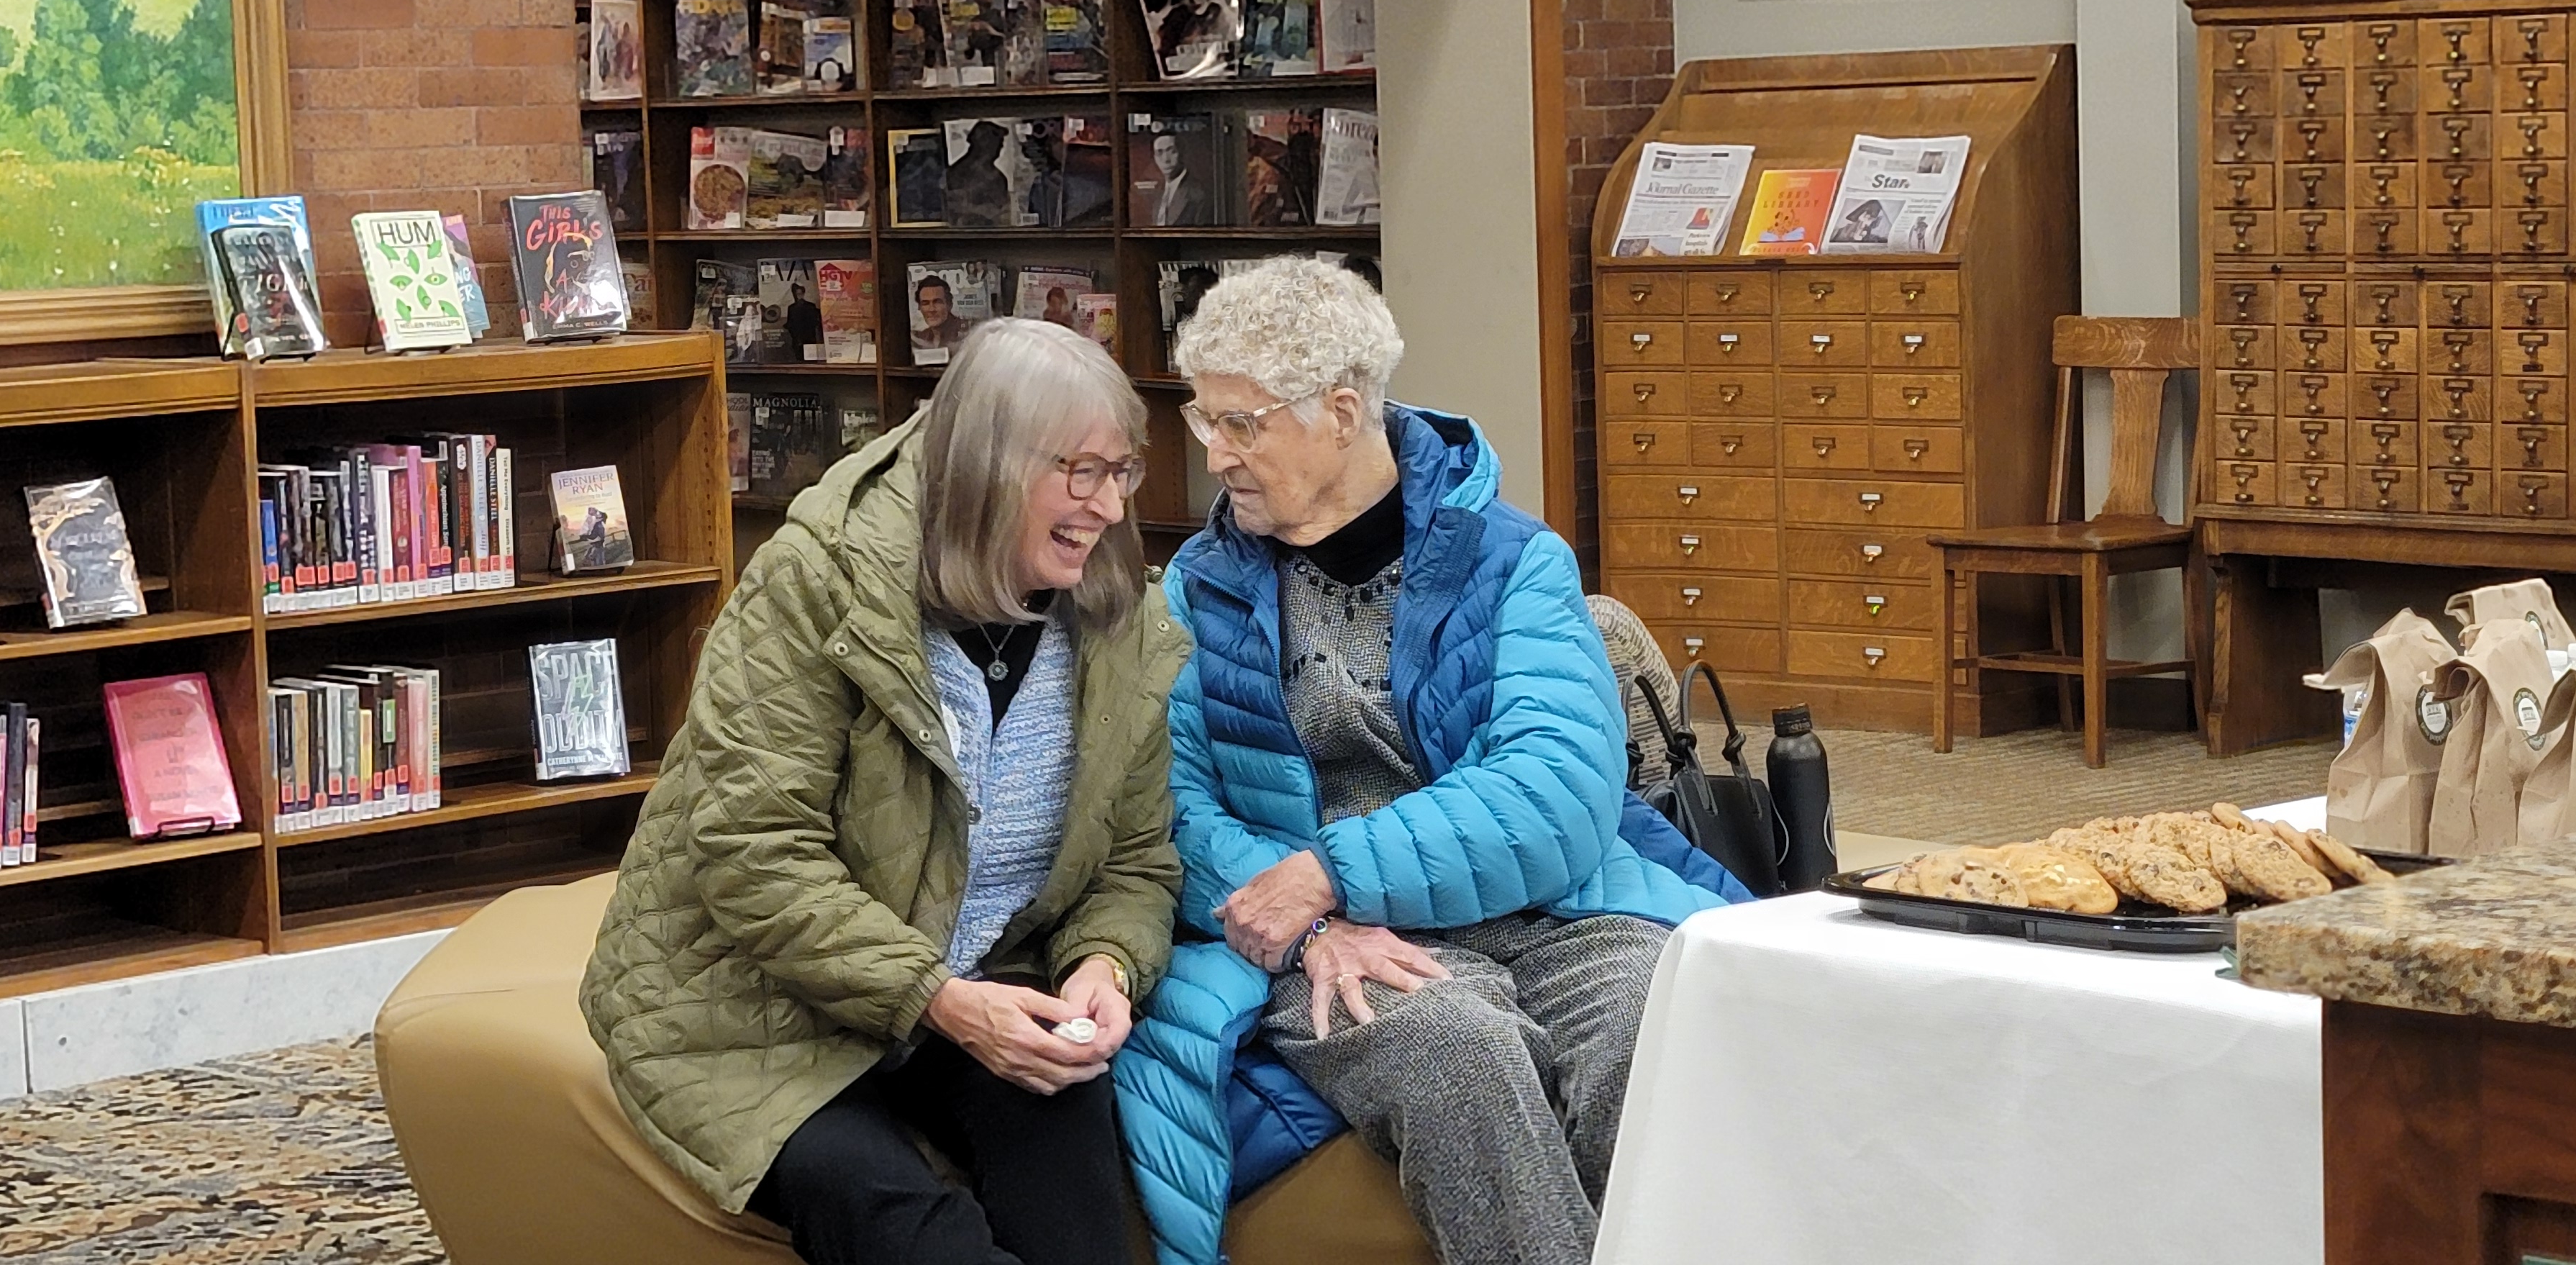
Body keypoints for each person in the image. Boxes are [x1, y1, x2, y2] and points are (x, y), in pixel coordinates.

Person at [1112, 258, 1746, 1265]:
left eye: (1241, 424)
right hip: (1336, 939)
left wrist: (1330, 869)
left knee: (1653, 1021)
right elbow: (1171, 809)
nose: (1213, 452)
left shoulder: (1513, 562)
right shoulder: (1198, 587)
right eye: (1203, 418)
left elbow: (1553, 792)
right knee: (1458, 1052)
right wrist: (1312, 916)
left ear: (1340, 413)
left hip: (1553, 908)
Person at [582, 317, 1188, 1265]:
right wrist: (935, 998)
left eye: (1122, 472)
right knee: (909, 1228)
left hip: (985, 982)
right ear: (991, 467)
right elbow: (755, 857)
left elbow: (1135, 860)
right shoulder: (815, 582)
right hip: (748, 1009)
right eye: (1082, 472)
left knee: (1077, 1210)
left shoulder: (1120, 616)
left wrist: (1105, 965)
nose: (1109, 507)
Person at [1150, 130, 1209, 226]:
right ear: (1155, 158)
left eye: (1172, 151)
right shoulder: (1157, 192)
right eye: (1160, 153)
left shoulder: (1198, 192)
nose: (1166, 159)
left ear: (1181, 152)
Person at [911, 273, 960, 352]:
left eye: (937, 302)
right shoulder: (920, 338)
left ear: (949, 304)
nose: (932, 309)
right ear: (919, 307)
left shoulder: (966, 334)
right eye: (925, 303)